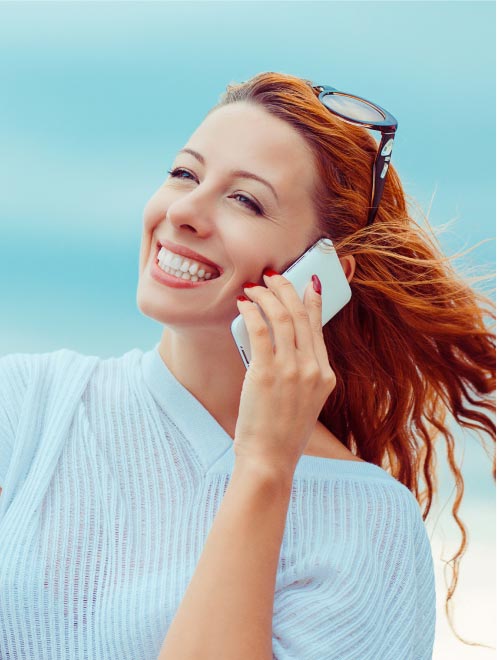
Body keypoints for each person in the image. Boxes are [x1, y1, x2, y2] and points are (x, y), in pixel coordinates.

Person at [0, 72, 494, 660]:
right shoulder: (26, 404)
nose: (184, 211)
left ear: (322, 275)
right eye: (185, 173)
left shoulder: (367, 526)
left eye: (245, 200)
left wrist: (263, 467)